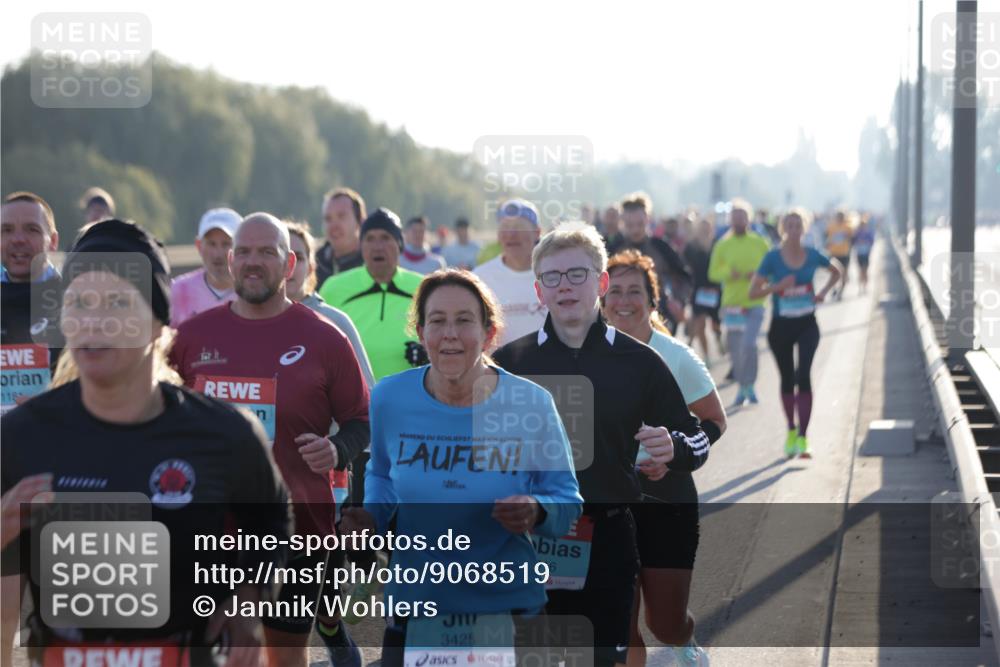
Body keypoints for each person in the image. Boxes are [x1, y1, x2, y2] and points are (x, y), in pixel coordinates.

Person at [1, 218, 291, 667]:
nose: (95, 321)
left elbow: (273, 528)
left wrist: (248, 599)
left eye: (118, 302)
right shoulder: (23, 436)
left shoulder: (224, 434)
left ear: (158, 324)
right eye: (80, 302)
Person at [493, 222, 713, 667]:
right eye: (552, 277)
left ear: (602, 282)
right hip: (530, 536)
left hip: (609, 534)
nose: (565, 286)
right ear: (539, 290)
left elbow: (697, 437)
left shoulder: (641, 362)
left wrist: (675, 446)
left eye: (578, 274)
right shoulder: (508, 364)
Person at [341, 269, 583, 666]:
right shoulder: (389, 397)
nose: (450, 333)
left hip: (508, 606)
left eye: (464, 320)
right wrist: (372, 518)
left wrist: (536, 509)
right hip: (417, 607)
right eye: (437, 321)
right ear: (421, 333)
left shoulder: (531, 403)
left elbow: (567, 502)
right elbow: (382, 474)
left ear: (489, 333)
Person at [171, 213, 371, 667]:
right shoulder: (190, 337)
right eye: (243, 251)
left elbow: (363, 419)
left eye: (267, 252)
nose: (252, 261)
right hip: (208, 532)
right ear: (230, 258)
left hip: (298, 531)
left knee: (283, 655)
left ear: (290, 263)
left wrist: (337, 449)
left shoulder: (325, 339)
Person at [600, 249, 725, 667]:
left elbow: (713, 421)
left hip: (666, 497)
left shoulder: (676, 357)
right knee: (620, 622)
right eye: (614, 291)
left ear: (653, 301)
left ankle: (684, 641)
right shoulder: (586, 355)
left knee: (666, 623)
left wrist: (674, 453)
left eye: (635, 291)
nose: (623, 300)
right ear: (601, 299)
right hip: (606, 502)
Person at [750, 209, 842, 458]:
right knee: (787, 378)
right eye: (789, 226)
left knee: (804, 376)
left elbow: (837, 270)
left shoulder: (812, 255)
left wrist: (822, 293)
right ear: (783, 229)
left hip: (807, 324)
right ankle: (791, 429)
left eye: (797, 226)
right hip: (781, 326)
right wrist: (777, 287)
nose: (793, 230)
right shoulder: (772, 258)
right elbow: (753, 292)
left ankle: (803, 437)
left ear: (804, 228)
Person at [319, 208, 425, 381]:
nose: (378, 247)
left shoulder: (423, 287)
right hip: (352, 398)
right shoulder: (334, 287)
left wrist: (427, 353)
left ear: (399, 244)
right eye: (370, 239)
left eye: (385, 238)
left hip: (409, 396)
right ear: (361, 246)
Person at [285, 221, 375, 389]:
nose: (290, 265)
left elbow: (366, 395)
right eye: (282, 255)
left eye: (299, 257)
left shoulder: (336, 322)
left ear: (311, 267)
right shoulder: (250, 321)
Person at [1, 192, 64, 406]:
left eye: (32, 229)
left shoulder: (78, 302)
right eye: (6, 230)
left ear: (53, 241)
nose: (18, 239)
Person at [707, 199, 770, 407]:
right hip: (732, 303)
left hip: (755, 301)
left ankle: (750, 384)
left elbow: (771, 268)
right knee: (735, 349)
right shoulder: (723, 244)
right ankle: (742, 387)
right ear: (730, 220)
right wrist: (729, 273)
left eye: (742, 217)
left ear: (748, 219)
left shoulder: (759, 242)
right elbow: (713, 273)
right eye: (735, 218)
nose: (739, 221)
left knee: (749, 344)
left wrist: (759, 276)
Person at [613, 192, 691, 332]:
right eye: (629, 225)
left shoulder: (661, 247)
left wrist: (678, 300)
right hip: (623, 316)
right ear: (622, 222)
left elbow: (684, 276)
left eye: (640, 224)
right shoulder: (614, 249)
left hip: (659, 315)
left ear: (648, 219)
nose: (635, 229)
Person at [474, 199, 547, 346]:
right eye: (505, 227)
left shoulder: (556, 273)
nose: (511, 234)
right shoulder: (480, 278)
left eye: (519, 228)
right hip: (497, 367)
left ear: (537, 232)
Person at [169, 207, 241, 327]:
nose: (218, 254)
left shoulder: (253, 291)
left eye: (226, 244)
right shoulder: (178, 290)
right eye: (211, 244)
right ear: (199, 246)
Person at [684, 219, 725, 364]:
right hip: (698, 290)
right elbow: (684, 266)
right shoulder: (691, 246)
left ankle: (719, 337)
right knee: (700, 322)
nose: (704, 231)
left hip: (714, 290)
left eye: (707, 228)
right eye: (702, 228)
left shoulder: (718, 245)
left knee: (715, 324)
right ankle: (706, 356)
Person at [316, 187, 366, 287]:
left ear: (360, 221)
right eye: (328, 218)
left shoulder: (373, 264)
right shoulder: (313, 264)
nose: (334, 225)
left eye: (342, 216)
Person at [824, 210, 853, 299]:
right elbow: (826, 237)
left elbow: (852, 239)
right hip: (834, 253)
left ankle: (841, 292)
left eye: (842, 216)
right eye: (839, 216)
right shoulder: (831, 227)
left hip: (844, 253)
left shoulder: (848, 227)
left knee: (844, 273)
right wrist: (827, 245)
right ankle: (834, 288)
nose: (840, 218)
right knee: (833, 273)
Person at [853, 214, 875, 294]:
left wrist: (865, 243)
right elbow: (853, 242)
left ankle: (865, 286)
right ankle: (860, 287)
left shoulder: (869, 232)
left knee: (865, 270)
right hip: (859, 253)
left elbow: (872, 242)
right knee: (860, 271)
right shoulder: (857, 233)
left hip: (866, 253)